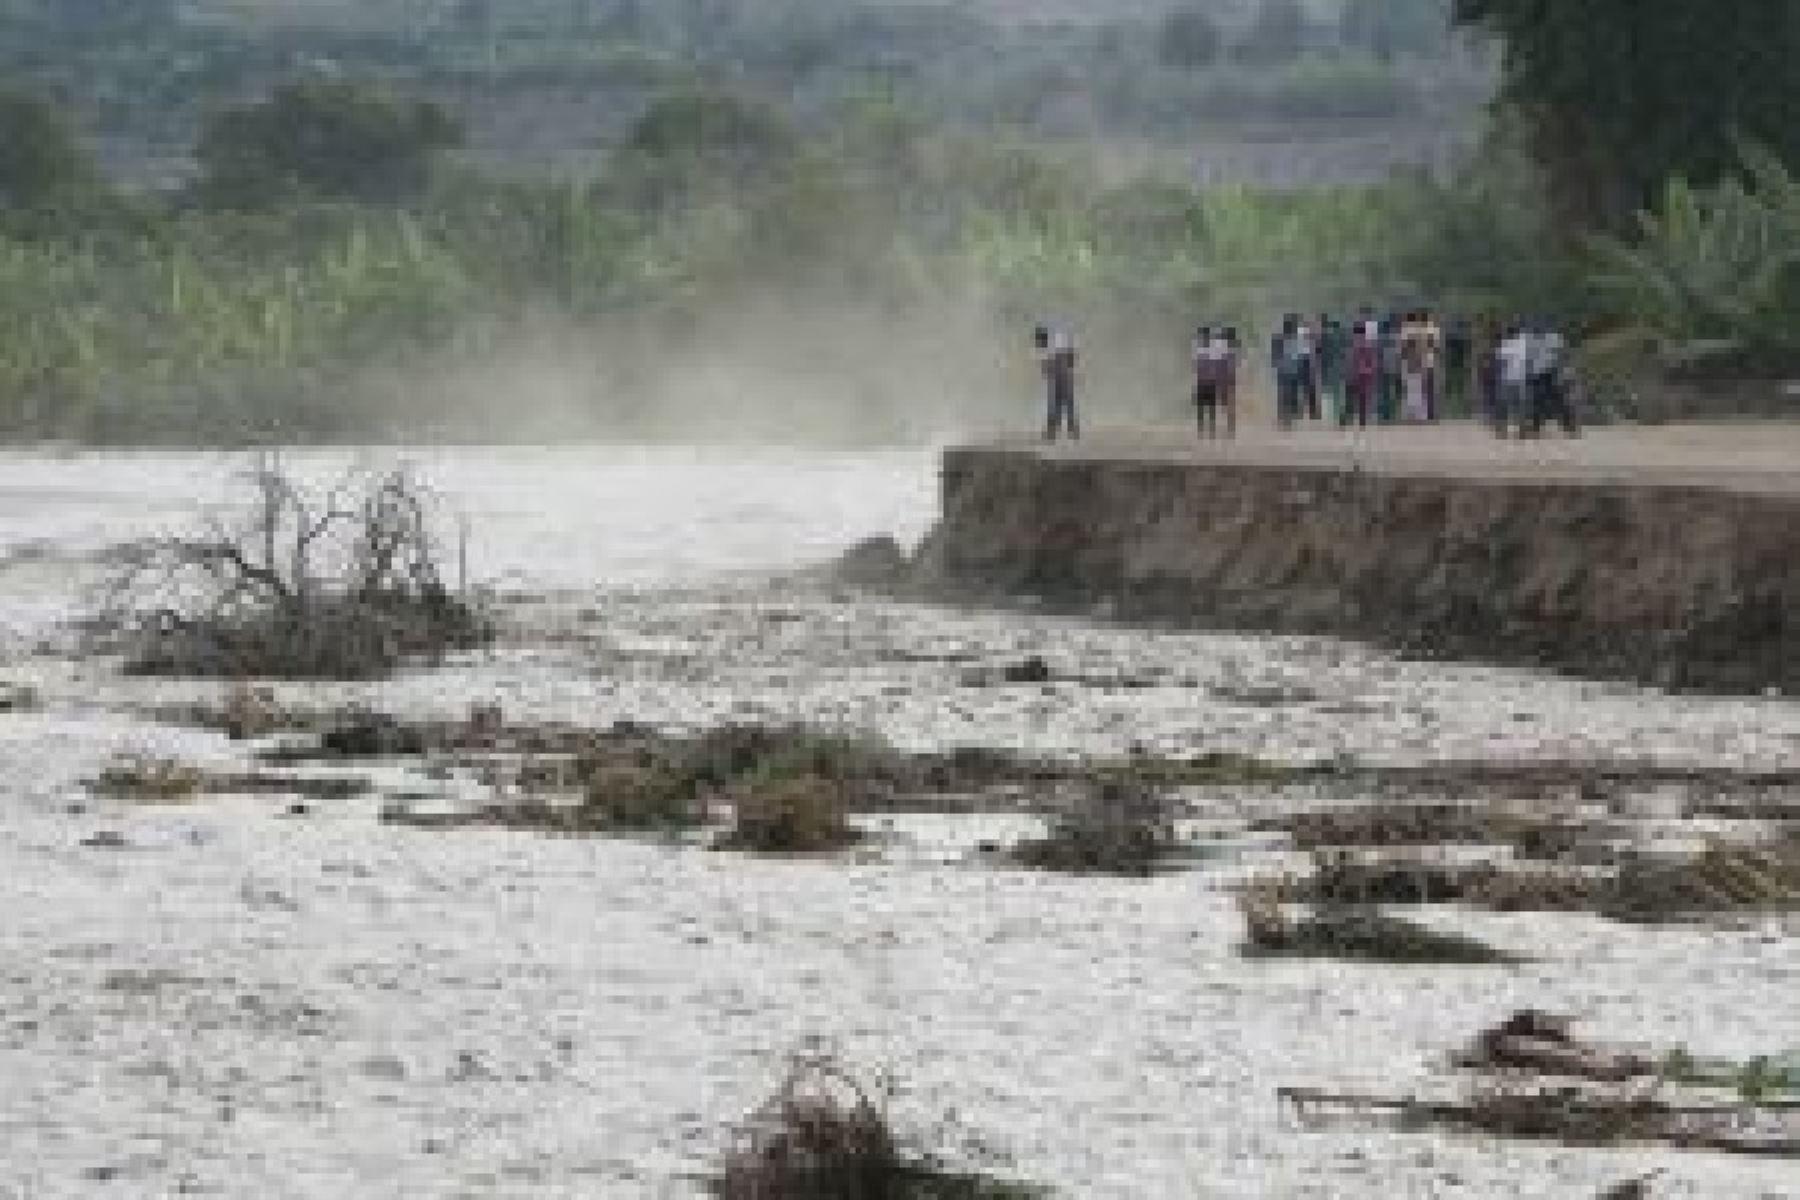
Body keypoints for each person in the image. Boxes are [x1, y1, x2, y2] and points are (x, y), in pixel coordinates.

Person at [1525, 318, 1577, 436]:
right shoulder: (1552, 339)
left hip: (1548, 372)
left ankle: (1567, 425)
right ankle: (1538, 426)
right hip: (1542, 372)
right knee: (1545, 400)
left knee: (1550, 399)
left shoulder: (1551, 339)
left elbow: (1562, 356)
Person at [1035, 323, 1080, 441]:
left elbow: (1050, 364)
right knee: (1065, 401)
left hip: (1060, 372)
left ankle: (1056, 431)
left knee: (1057, 402)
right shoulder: (1058, 339)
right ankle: (1070, 430)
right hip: (1063, 372)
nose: (1039, 345)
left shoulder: (1053, 343)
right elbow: (1071, 356)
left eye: (1039, 342)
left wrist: (1049, 370)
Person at [1495, 321, 1531, 436]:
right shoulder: (1523, 344)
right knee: (1521, 405)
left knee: (1504, 405)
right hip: (1521, 378)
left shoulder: (1505, 345)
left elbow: (1499, 357)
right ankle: (1522, 429)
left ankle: (1502, 430)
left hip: (1508, 378)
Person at [1271, 315, 1307, 429]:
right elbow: (1302, 356)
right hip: (1292, 371)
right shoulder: (1297, 338)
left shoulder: (1279, 338)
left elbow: (1274, 357)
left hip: (1286, 371)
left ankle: (1286, 418)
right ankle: (1287, 418)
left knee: (1285, 395)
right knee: (1290, 395)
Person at [1191, 325, 1228, 438]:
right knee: (1205, 407)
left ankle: (1206, 428)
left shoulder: (1205, 349)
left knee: (1208, 407)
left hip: (1206, 380)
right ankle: (1205, 428)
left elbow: (1199, 366)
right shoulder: (1208, 349)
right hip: (1206, 380)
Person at [1399, 309, 1432, 422]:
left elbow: (1405, 347)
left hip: (1410, 361)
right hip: (1418, 361)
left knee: (1410, 388)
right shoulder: (1419, 329)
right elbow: (1421, 346)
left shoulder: (1407, 329)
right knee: (1420, 389)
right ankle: (1420, 415)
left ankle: (1411, 414)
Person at [1347, 319, 1379, 427]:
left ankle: (1362, 419)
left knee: (1362, 398)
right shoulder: (1363, 345)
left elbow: (1369, 361)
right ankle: (1361, 419)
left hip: (1362, 375)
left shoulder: (1359, 346)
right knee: (1362, 398)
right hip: (1362, 375)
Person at [1317, 313, 1349, 426]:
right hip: (1339, 369)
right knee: (1339, 394)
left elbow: (1321, 356)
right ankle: (1340, 416)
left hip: (1329, 369)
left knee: (1328, 394)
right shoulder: (1341, 338)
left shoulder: (1324, 338)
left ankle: (1329, 418)